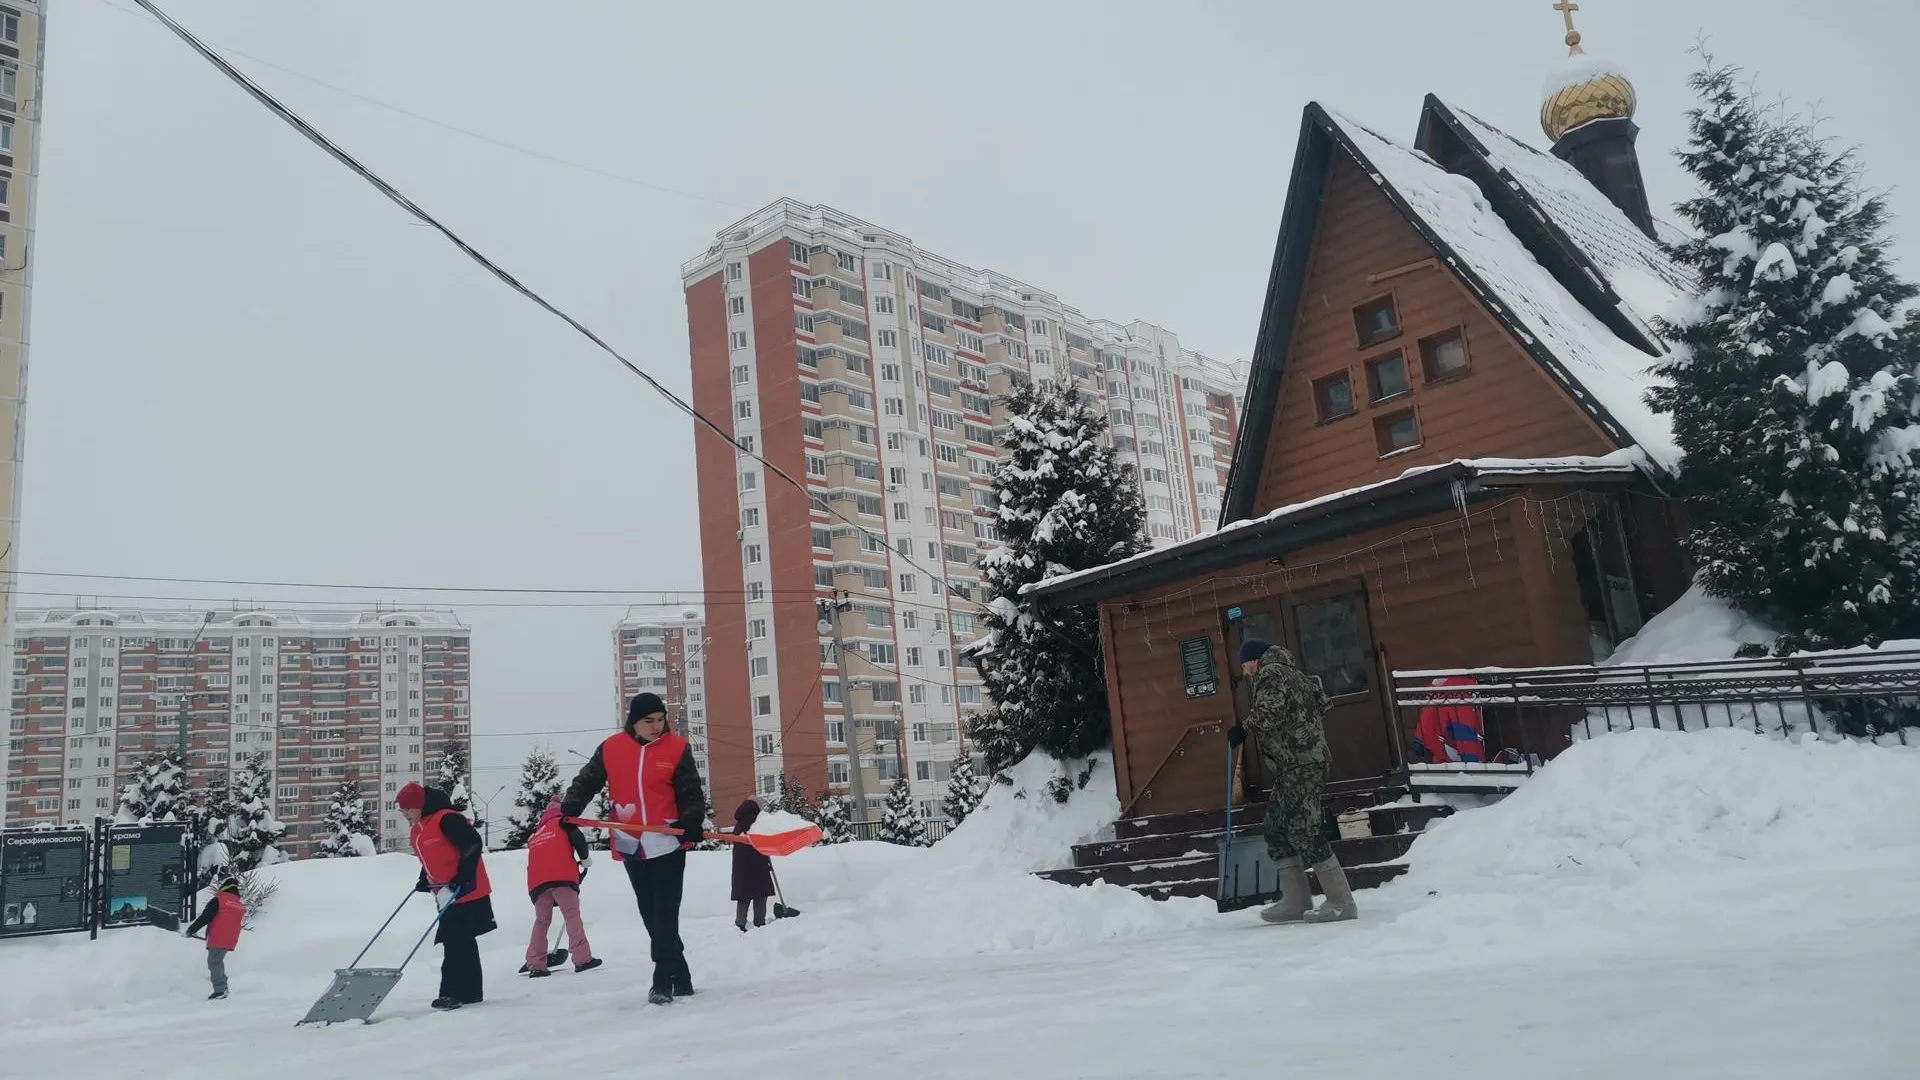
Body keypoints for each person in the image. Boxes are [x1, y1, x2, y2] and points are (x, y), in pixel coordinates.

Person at [560, 691, 707, 1005]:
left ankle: (662, 979)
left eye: (660, 719)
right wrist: (568, 811)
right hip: (632, 843)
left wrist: (692, 819)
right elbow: (587, 781)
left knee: (666, 913)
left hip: (667, 841)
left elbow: (690, 791)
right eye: (648, 721)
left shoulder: (677, 748)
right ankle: (681, 977)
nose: (656, 726)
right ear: (633, 722)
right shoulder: (612, 749)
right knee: (650, 914)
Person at [1227, 638, 1357, 924]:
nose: (1246, 673)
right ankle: (1296, 900)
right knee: (1275, 828)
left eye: (1246, 665)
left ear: (1255, 659)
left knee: (1303, 828)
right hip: (1293, 765)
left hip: (1303, 763)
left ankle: (1341, 901)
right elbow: (1320, 705)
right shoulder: (1293, 675)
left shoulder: (1271, 672)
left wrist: (1243, 728)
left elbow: (1270, 712)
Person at [395, 782, 496, 1010]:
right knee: (462, 940)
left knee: (454, 940)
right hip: (445, 893)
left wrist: (463, 875)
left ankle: (451, 992)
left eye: (407, 809)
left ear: (419, 805)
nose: (405, 814)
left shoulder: (446, 818)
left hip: (465, 889)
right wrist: (424, 878)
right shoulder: (418, 829)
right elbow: (431, 857)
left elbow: (472, 842)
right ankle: (470, 993)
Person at [523, 796, 600, 977]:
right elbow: (579, 840)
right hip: (562, 877)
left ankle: (535, 964)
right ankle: (582, 959)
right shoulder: (564, 822)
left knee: (541, 921)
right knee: (571, 915)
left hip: (537, 883)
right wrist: (584, 860)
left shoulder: (536, 833)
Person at [183, 874, 246, 1000]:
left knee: (214, 963)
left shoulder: (219, 900)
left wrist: (191, 930)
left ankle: (220, 990)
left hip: (218, 937)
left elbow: (206, 916)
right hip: (231, 939)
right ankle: (223, 987)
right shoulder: (238, 905)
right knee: (217, 962)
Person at [729, 797, 775, 932]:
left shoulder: (739, 822)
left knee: (744, 896)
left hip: (741, 868)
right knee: (760, 895)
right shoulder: (758, 822)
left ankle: (740, 924)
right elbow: (765, 841)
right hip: (758, 864)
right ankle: (759, 924)